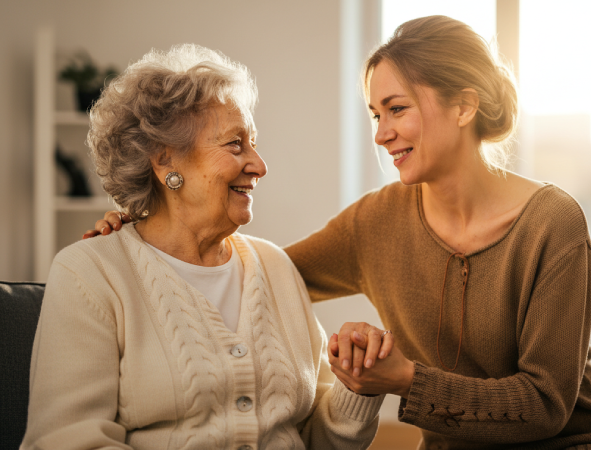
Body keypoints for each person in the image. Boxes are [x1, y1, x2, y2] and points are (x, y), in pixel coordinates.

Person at [90, 16, 591, 449]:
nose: (382, 135)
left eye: (396, 109)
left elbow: (545, 405)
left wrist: (406, 379)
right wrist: (145, 240)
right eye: (375, 115)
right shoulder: (376, 222)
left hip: (577, 444)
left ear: (464, 105)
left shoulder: (554, 223)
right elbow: (255, 276)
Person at [23, 44, 383, 450]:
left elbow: (314, 437)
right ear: (165, 162)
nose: (259, 165)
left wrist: (358, 386)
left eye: (254, 143)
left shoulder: (275, 266)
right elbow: (67, 440)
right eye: (235, 144)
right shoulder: (90, 273)